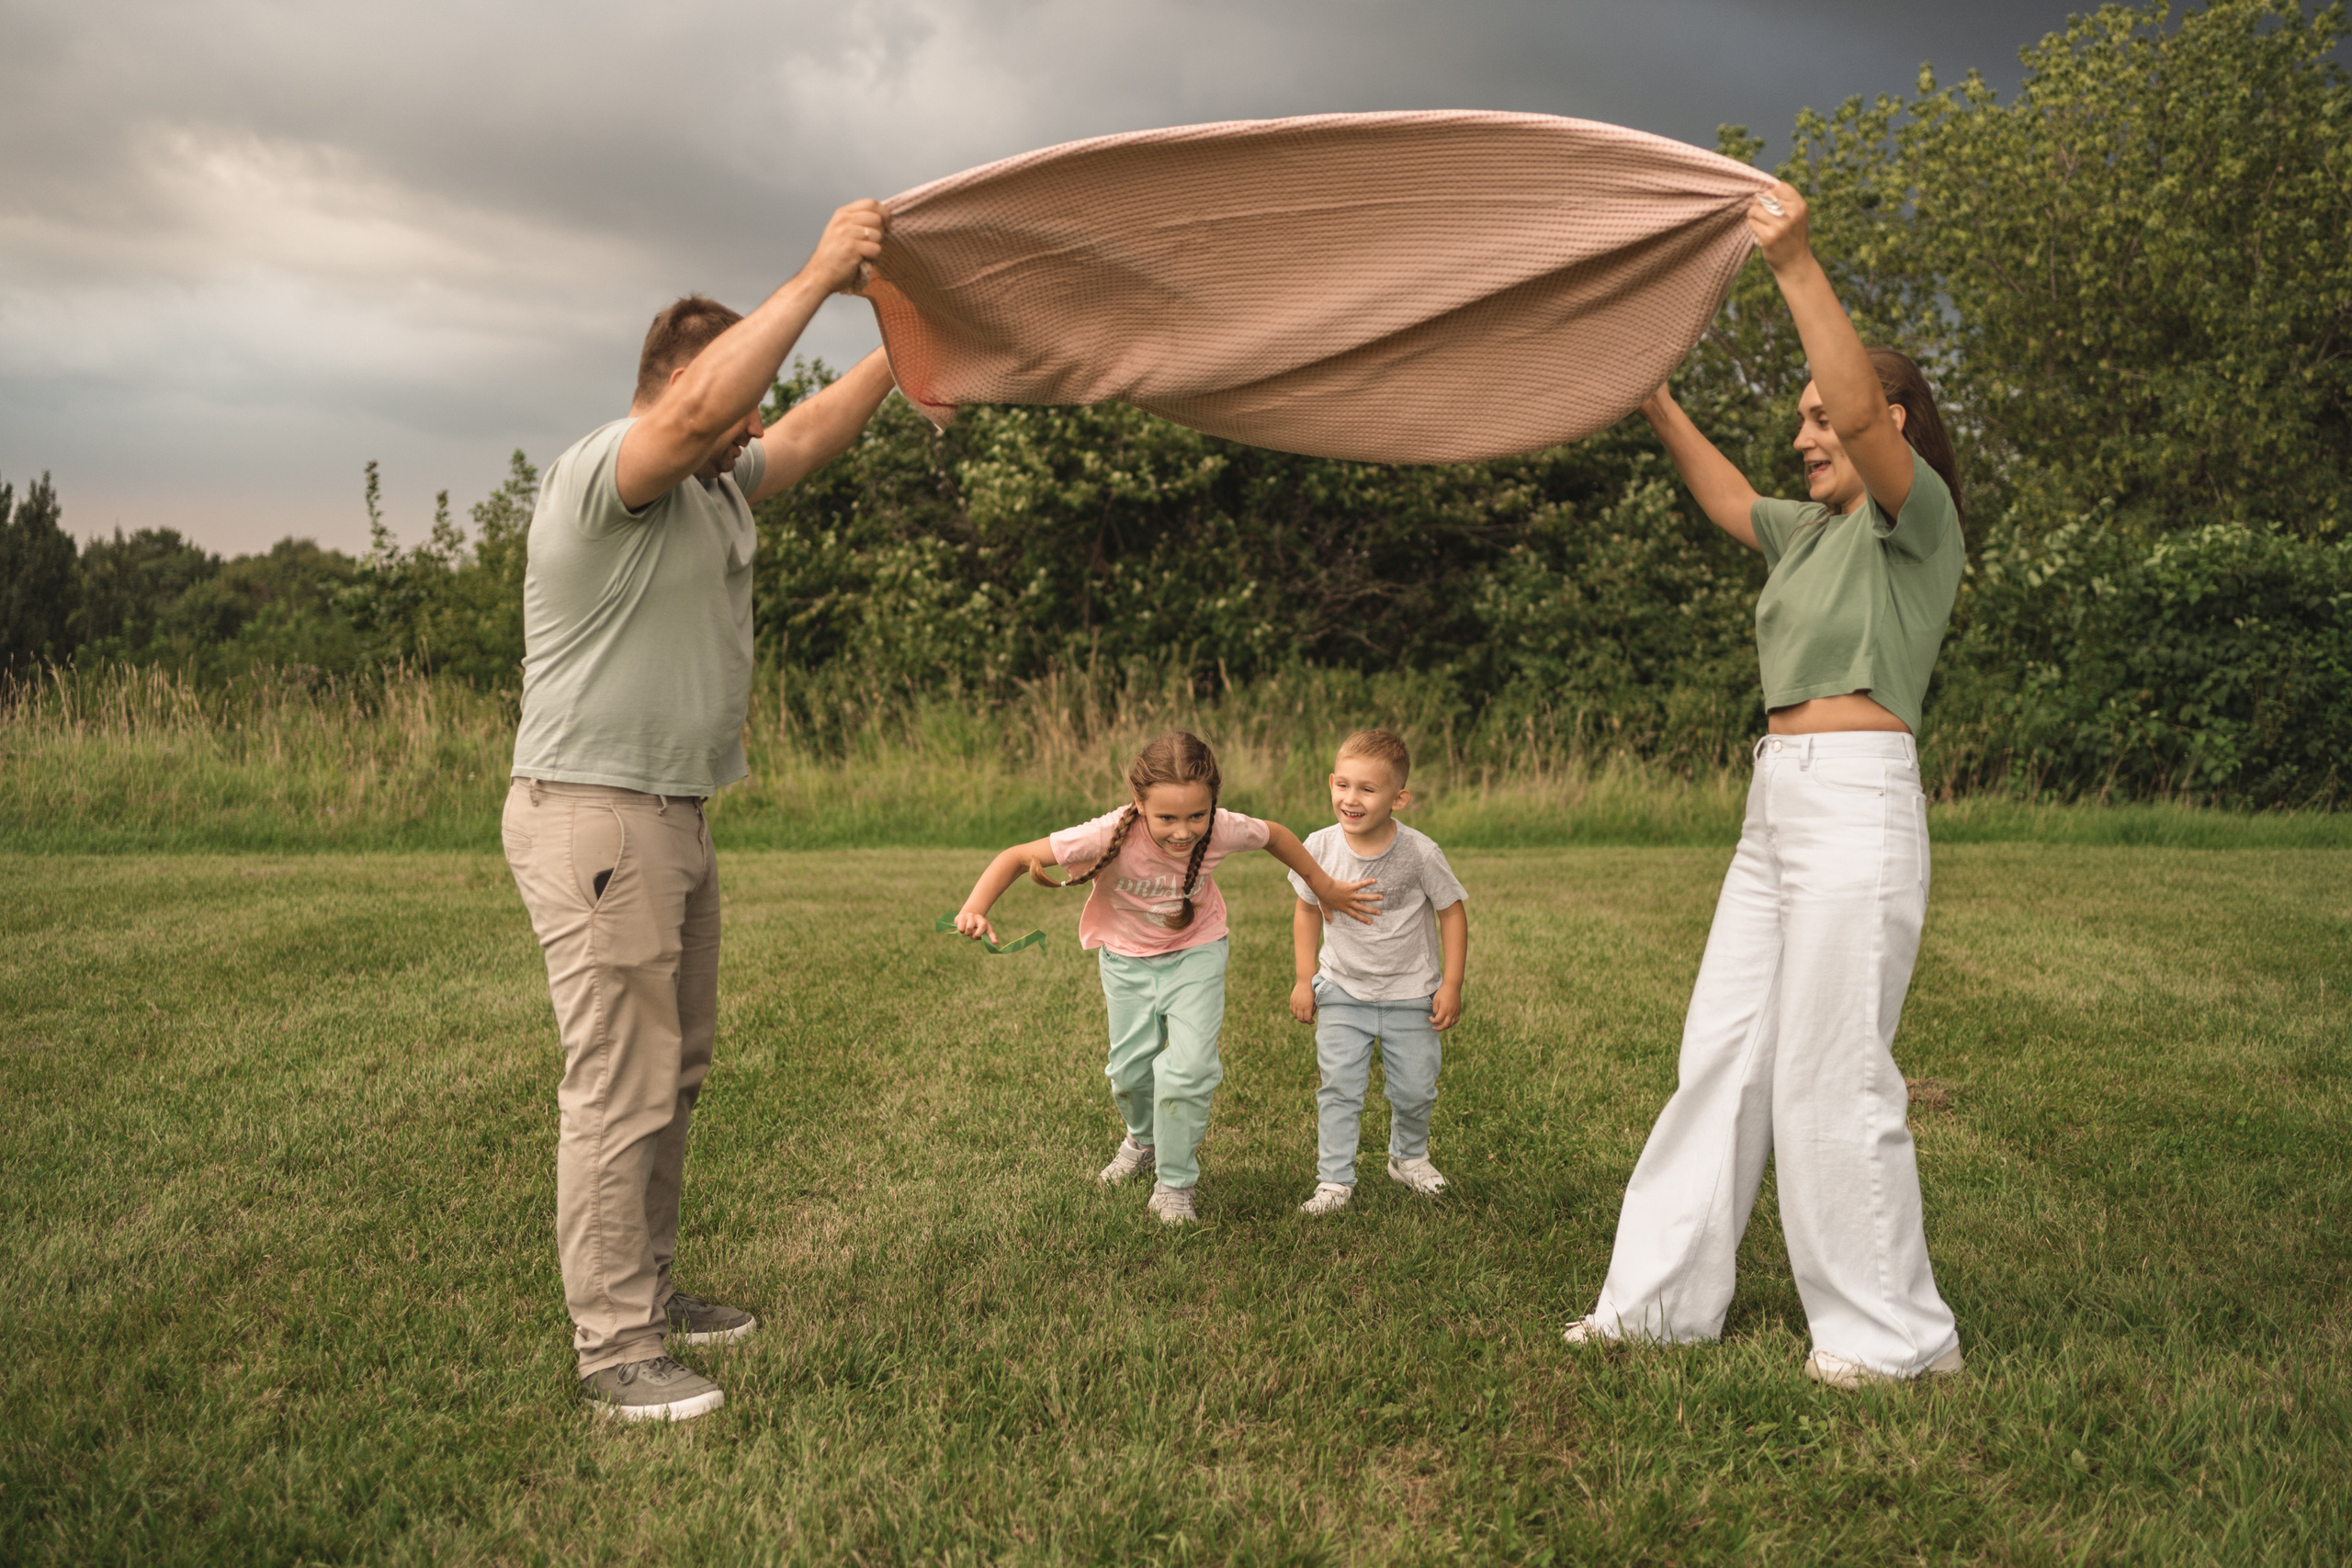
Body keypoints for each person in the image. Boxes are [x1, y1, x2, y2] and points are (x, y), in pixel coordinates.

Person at [1562, 179, 1968, 1389]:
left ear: (1883, 418)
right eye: (1800, 419)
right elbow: (1727, 494)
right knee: (1725, 1050)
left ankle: (1891, 1338)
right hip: (1776, 803)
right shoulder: (1807, 532)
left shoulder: (1918, 520)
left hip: (1858, 801)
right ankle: (1659, 1303)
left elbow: (1851, 397)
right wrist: (1651, 395)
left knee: (1830, 1070)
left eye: (1820, 415)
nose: (1805, 433)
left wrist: (1792, 261)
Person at [502, 200, 899, 1423]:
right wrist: (820, 271)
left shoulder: (721, 487)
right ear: (682, 390)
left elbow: (818, 427)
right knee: (619, 1079)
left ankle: (650, 1293)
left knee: (673, 1069)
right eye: (734, 401)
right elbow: (690, 416)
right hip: (596, 817)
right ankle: (615, 1347)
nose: (753, 424)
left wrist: (907, 332)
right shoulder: (609, 475)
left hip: (673, 812)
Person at [953, 730, 1381, 1224]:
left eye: (1196, 815)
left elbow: (1278, 836)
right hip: (1126, 962)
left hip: (1196, 954)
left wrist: (1323, 885)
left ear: (1212, 804)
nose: (1184, 831)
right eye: (1167, 818)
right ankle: (1144, 1139)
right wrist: (975, 908)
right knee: (1129, 1074)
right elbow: (1013, 857)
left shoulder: (1222, 828)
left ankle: (1176, 1184)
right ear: (1139, 803)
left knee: (1190, 1070)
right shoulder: (1105, 833)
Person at [1286, 728, 1470, 1215]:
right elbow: (1306, 910)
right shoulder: (1318, 847)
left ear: (1398, 798)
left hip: (1412, 995)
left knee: (1415, 1087)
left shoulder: (1420, 853)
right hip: (1343, 991)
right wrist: (1305, 979)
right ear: (1330, 783)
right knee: (1339, 1089)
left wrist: (1450, 983)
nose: (1351, 799)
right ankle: (1334, 1180)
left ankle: (1408, 1157)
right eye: (1343, 785)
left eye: (1367, 789)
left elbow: (1451, 911)